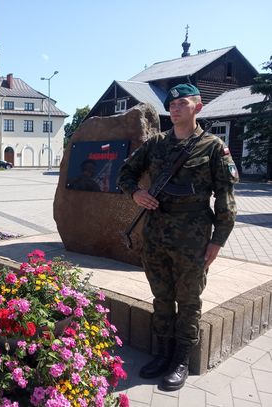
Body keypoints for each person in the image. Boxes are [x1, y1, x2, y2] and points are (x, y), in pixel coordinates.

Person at [117, 83, 238, 391]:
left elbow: (225, 196)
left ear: (197, 107)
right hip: (156, 234)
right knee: (161, 297)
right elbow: (125, 173)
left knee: (188, 300)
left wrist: (218, 240)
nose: (174, 108)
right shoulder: (156, 144)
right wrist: (136, 194)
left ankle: (181, 359)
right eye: (171, 104)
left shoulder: (212, 147)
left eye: (182, 103)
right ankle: (163, 353)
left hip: (193, 237)